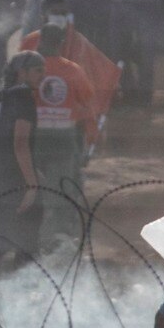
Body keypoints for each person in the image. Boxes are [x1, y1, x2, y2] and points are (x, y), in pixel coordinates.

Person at [31, 25, 96, 240]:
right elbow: (87, 108)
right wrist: (89, 140)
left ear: (41, 41)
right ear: (61, 43)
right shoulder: (73, 71)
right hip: (63, 138)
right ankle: (61, 235)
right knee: (64, 186)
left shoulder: (30, 69)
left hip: (34, 138)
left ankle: (36, 233)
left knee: (33, 186)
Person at [0, 51, 45, 273]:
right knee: (21, 238)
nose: (42, 76)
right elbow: (20, 142)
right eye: (38, 71)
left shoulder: (2, 95)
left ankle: (10, 285)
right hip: (17, 179)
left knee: (17, 237)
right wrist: (32, 183)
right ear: (23, 72)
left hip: (2, 174)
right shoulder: (24, 97)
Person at [20, 0, 121, 122]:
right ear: (43, 16)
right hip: (36, 108)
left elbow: (98, 69)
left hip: (70, 109)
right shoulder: (30, 41)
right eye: (55, 13)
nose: (60, 17)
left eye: (63, 13)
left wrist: (112, 84)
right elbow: (19, 76)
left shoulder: (78, 41)